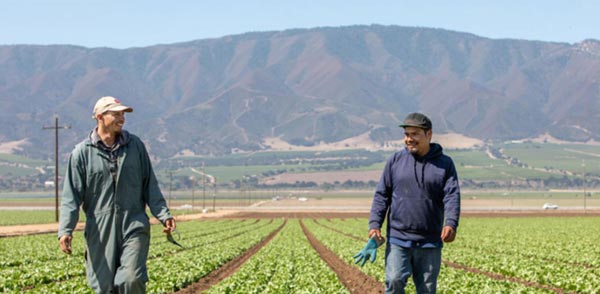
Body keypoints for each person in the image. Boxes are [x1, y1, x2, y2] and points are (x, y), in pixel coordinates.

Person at [58, 96, 176, 293]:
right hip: (100, 228)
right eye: (116, 114)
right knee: (104, 287)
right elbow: (71, 196)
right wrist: (65, 230)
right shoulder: (82, 153)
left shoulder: (135, 146)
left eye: (123, 114)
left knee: (131, 279)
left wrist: (163, 214)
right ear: (100, 117)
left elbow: (150, 184)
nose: (121, 118)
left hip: (134, 222)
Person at [368, 112, 461, 293]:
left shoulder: (445, 164)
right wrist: (374, 224)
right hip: (398, 238)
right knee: (394, 281)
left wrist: (451, 223)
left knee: (427, 289)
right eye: (407, 134)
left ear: (429, 134)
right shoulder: (395, 161)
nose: (409, 139)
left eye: (415, 134)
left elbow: (452, 196)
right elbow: (382, 195)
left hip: (430, 240)